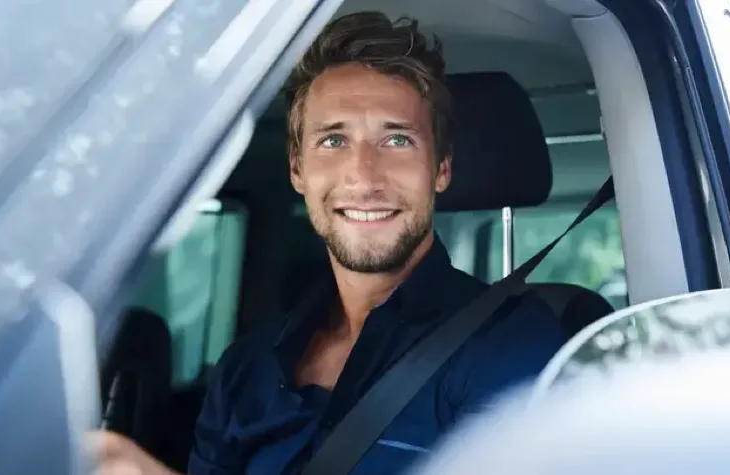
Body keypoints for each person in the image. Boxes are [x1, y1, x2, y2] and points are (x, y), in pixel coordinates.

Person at [93, 10, 565, 475]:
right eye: (334, 141)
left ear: (441, 169)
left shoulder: (510, 342)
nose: (364, 176)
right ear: (298, 169)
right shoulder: (247, 366)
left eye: (397, 141)